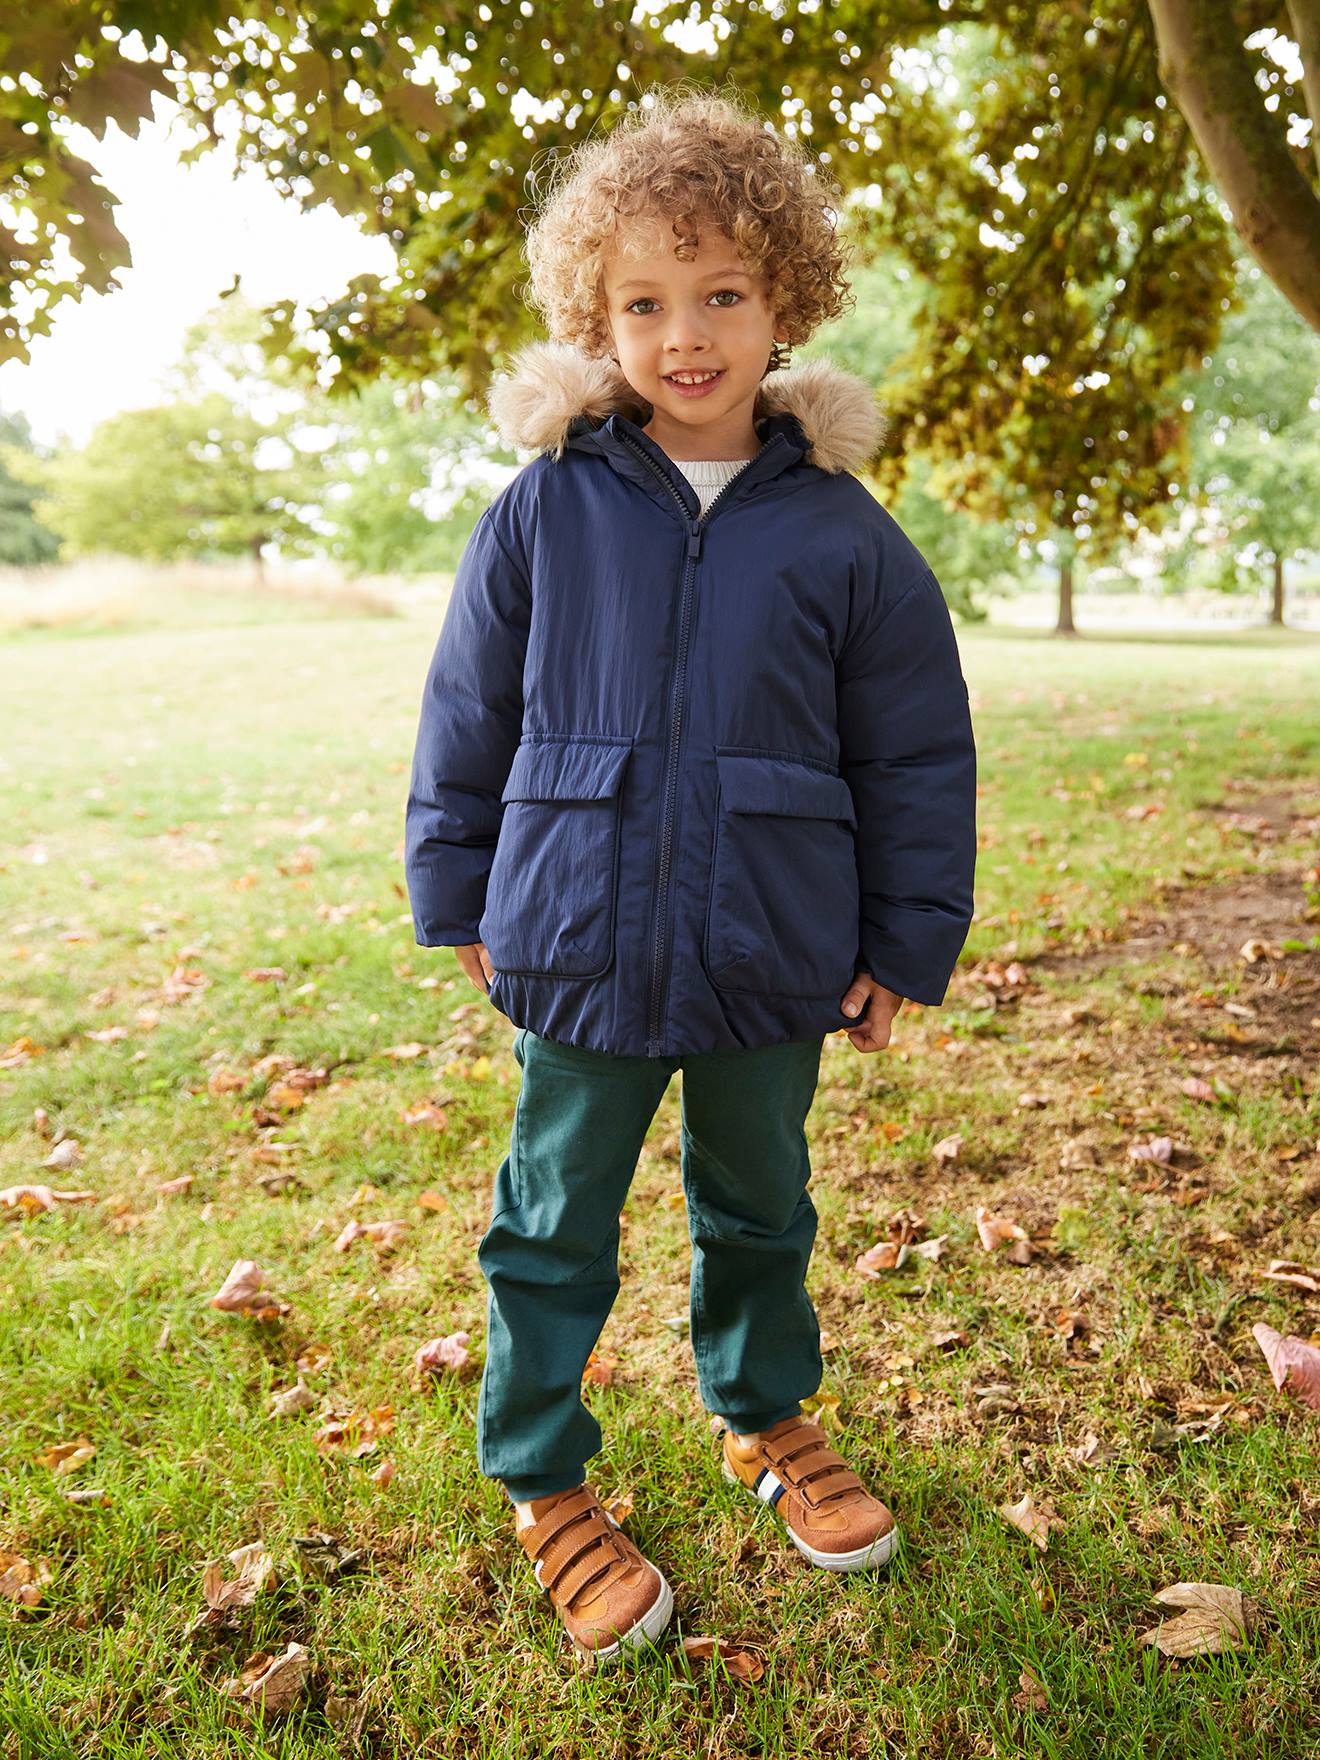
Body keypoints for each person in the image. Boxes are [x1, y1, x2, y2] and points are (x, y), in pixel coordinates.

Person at [404, 84, 977, 1668]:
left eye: (724, 293)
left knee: (762, 1204)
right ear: (597, 318)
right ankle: (539, 1475)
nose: (688, 334)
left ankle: (766, 1413)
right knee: (551, 1215)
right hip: (574, 931)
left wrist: (905, 940)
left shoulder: (846, 536)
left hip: (772, 942)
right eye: (646, 302)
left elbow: (917, 751)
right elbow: (469, 713)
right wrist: (458, 896)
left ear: (785, 300)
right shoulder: (544, 512)